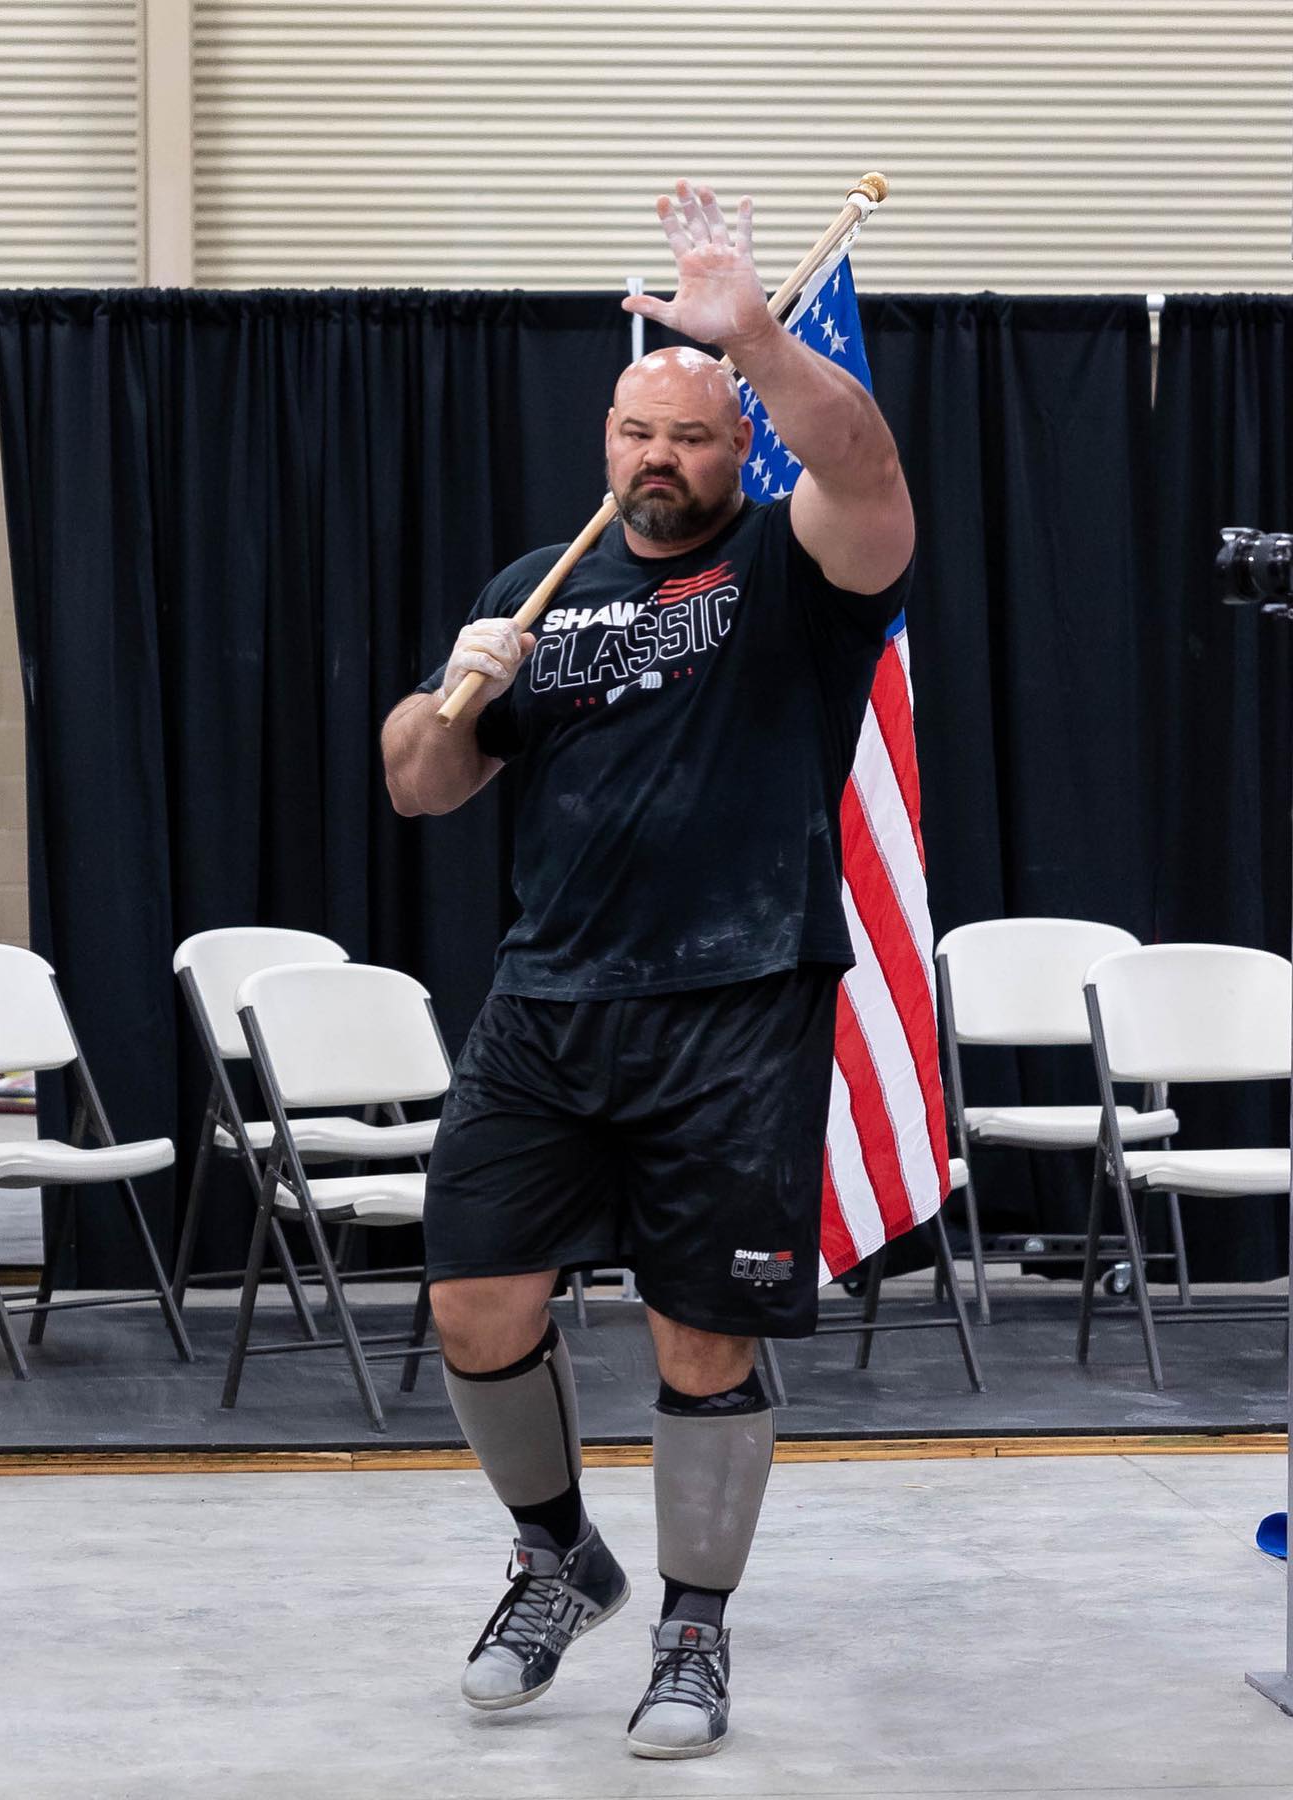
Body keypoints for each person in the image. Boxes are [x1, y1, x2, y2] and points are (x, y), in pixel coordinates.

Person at [380, 180, 915, 1760]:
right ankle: (560, 1558)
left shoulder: (797, 572)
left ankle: (693, 1626)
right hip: (549, 1007)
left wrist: (744, 330)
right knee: (474, 1301)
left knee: (703, 1336)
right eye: (634, 433)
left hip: (737, 1003)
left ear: (734, 446)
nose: (656, 461)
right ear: (604, 439)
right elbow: (417, 784)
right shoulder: (536, 590)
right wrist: (458, 700)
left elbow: (868, 470)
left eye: (688, 436)